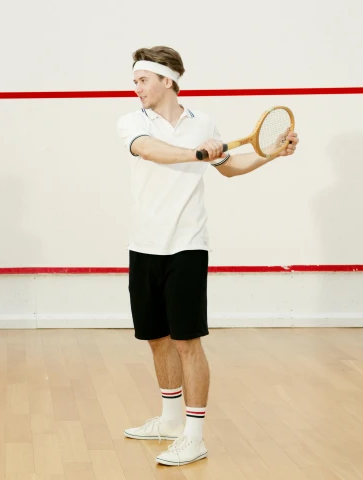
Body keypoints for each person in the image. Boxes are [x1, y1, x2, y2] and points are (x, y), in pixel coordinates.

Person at [116, 46, 299, 466]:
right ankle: (169, 420)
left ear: (167, 80)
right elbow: (149, 150)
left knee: (186, 341)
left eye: (143, 79)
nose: (136, 86)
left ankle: (194, 436)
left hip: (187, 245)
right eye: (135, 80)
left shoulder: (204, 124)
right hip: (144, 244)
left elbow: (229, 167)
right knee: (157, 339)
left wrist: (272, 153)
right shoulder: (131, 122)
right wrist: (198, 153)